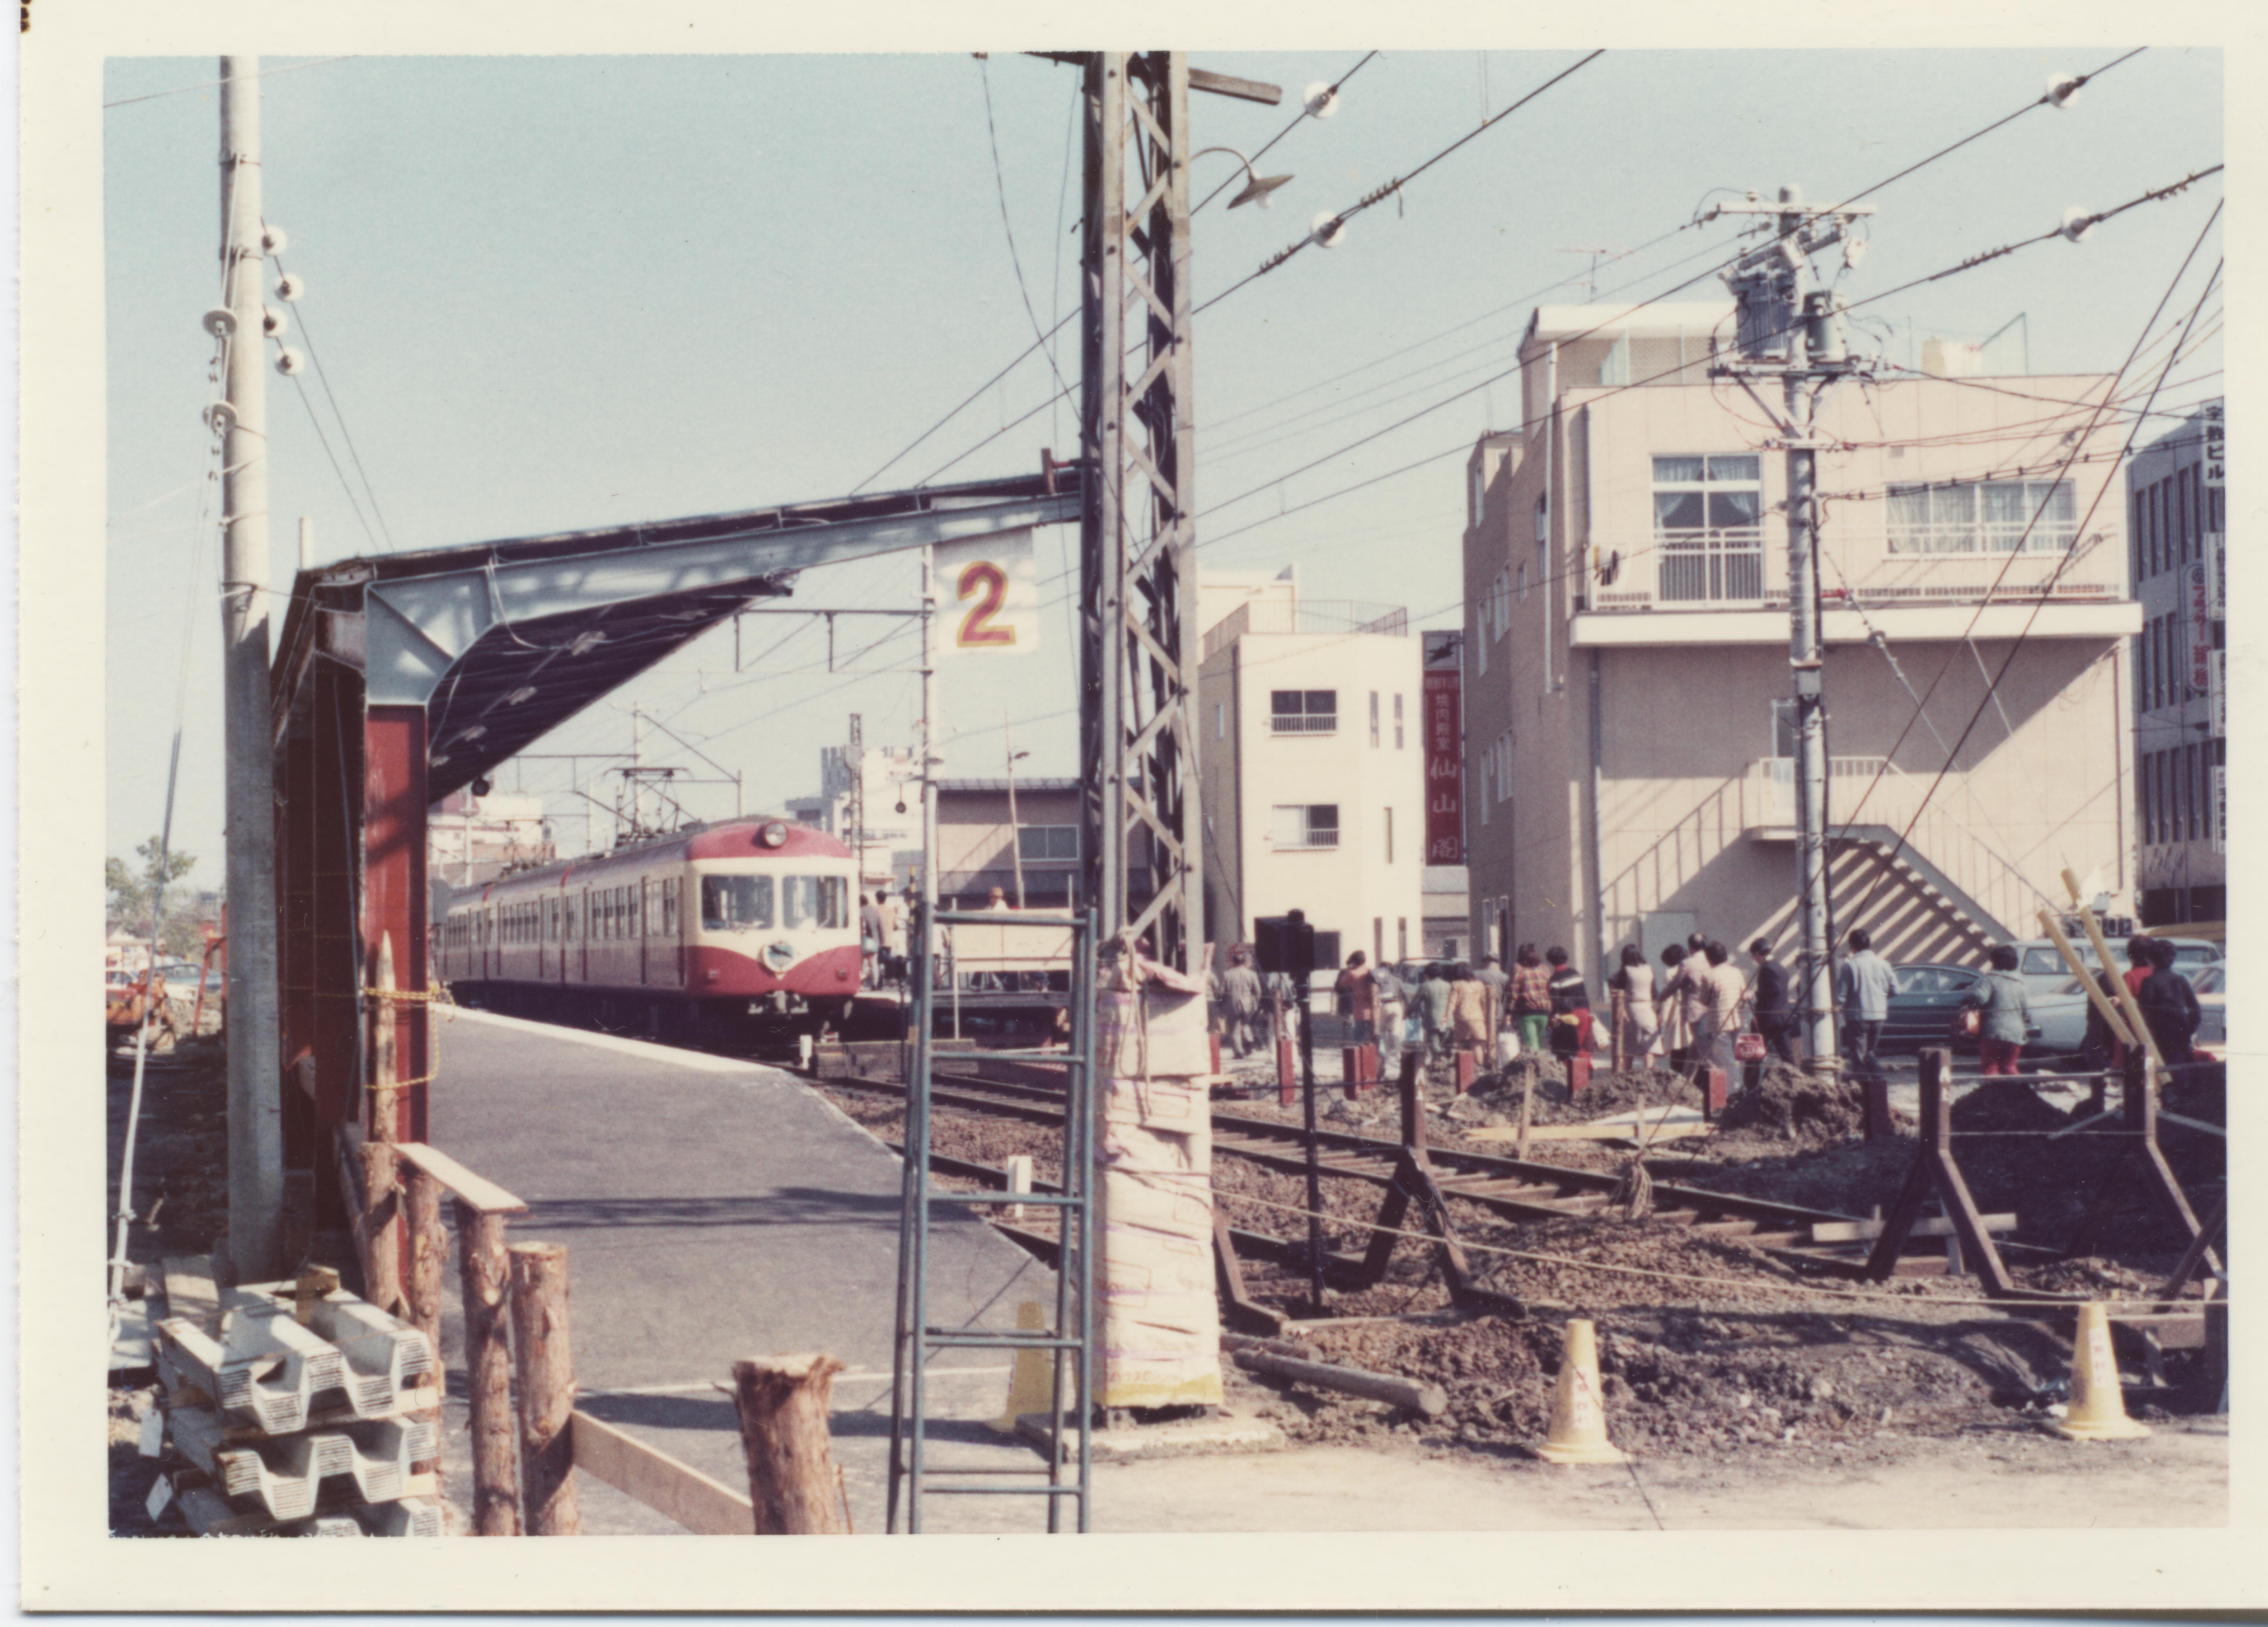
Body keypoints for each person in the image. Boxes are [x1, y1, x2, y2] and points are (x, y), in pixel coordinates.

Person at [1961, 943, 2032, 1076]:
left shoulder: (1989, 980)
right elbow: (2026, 1011)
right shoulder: (2020, 983)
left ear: (1993, 960)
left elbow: (1979, 998)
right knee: (2010, 1067)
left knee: (1991, 1067)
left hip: (1993, 1032)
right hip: (2016, 1033)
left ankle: (1993, 1096)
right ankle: (2015, 1095)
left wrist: (1969, 992)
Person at [1836, 928, 1896, 1083]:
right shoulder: (1884, 964)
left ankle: (1865, 1089)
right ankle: (1878, 1083)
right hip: (1879, 1015)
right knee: (1869, 1053)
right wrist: (1881, 997)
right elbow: (1896, 990)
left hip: (1857, 1017)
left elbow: (1840, 997)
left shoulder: (1850, 966)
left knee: (1859, 1057)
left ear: (1852, 946)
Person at [2136, 938, 2202, 1066]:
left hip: (2160, 1035)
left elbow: (2144, 1010)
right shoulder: (2181, 980)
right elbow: (2196, 1010)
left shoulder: (2150, 982)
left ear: (2150, 960)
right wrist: (2190, 1029)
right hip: (2182, 1031)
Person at [1691, 941, 1747, 1075]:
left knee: (1726, 1060)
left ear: (1709, 958)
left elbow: (1704, 1000)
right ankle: (1734, 1089)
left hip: (1718, 1022)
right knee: (1732, 1057)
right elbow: (1743, 993)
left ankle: (1734, 1090)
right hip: (1736, 1019)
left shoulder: (1709, 976)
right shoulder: (1736, 972)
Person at [1607, 944, 1658, 1063]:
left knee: (1628, 1047)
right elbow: (1655, 992)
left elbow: (1614, 983)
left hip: (1632, 1009)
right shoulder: (1650, 969)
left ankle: (1626, 1074)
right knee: (1649, 1047)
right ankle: (1649, 1072)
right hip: (1648, 1008)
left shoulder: (1626, 971)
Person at [1748, 937, 1794, 1063]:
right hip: (1782, 1017)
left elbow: (1775, 990)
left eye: (1753, 956)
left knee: (1754, 1056)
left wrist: (1755, 994)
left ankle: (1750, 1082)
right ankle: (1795, 1079)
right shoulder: (1780, 967)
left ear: (1757, 954)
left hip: (1769, 1020)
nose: (1754, 960)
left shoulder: (1767, 968)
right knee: (1787, 1055)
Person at [1543, 946, 1592, 1058]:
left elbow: (1555, 1002)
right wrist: (1588, 1012)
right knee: (1583, 1048)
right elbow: (1584, 994)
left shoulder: (1555, 979)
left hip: (1569, 1016)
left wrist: (1553, 1019)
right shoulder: (1576, 973)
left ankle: (1569, 1074)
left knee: (1568, 1050)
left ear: (1551, 961)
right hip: (1584, 1012)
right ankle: (1585, 1074)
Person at [1508, 943, 1552, 1056]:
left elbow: (1514, 993)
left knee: (1531, 1044)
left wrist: (1509, 1012)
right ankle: (1543, 1067)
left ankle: (1534, 1069)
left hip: (1527, 1011)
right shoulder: (1545, 971)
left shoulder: (1520, 971)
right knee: (1540, 1042)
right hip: (1545, 1011)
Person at [1221, 950, 1264, 1059]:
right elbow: (1258, 991)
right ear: (1244, 962)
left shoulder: (1227, 974)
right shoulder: (1252, 974)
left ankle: (1239, 1052)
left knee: (1234, 1028)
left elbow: (1221, 991)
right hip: (1248, 1004)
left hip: (1232, 1004)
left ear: (1233, 961)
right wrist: (1256, 1002)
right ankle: (1249, 1045)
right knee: (1246, 1024)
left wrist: (1222, 1003)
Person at [1334, 951, 1379, 1054]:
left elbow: (1341, 984)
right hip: (1375, 1011)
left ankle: (1361, 1060)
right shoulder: (1370, 970)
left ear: (1354, 961)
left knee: (1359, 1040)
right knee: (1376, 1038)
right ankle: (1380, 1058)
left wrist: (1349, 969)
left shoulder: (1352, 973)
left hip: (1361, 1012)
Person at [1656, 944, 1692, 1069]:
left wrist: (1663, 1018)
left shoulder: (1670, 973)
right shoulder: (1690, 969)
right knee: (1688, 1046)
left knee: (1676, 1047)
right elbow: (1691, 989)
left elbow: (1669, 998)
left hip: (1677, 1013)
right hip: (1690, 1010)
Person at [1372, 959, 1407, 1081]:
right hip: (1397, 1006)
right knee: (1396, 1032)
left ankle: (1385, 1055)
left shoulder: (1379, 980)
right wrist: (1406, 1010)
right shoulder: (1398, 980)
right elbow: (1405, 995)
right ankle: (1397, 1054)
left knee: (1382, 1032)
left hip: (1383, 1006)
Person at [1447, 962, 1492, 1055]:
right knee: (1478, 1045)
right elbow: (1484, 1002)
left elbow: (1452, 1003)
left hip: (1462, 1018)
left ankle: (1462, 1068)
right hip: (1478, 1018)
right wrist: (1485, 1016)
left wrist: (1447, 1016)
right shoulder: (1480, 985)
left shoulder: (1456, 985)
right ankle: (1480, 1068)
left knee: (1460, 1045)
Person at [1418, 962, 1457, 1065]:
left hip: (1433, 1020)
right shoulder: (1449, 986)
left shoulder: (1425, 986)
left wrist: (1407, 1013)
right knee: (1444, 1040)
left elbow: (1415, 1003)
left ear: (1428, 974)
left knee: (1434, 1041)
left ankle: (1439, 1059)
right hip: (1446, 1020)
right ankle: (1443, 1061)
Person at [1476, 954, 1510, 1045]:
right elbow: (1508, 996)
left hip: (1479, 1012)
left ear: (1485, 963)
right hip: (1498, 1012)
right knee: (1495, 1038)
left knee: (1480, 1040)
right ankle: (1494, 1058)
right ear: (1497, 964)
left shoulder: (1476, 975)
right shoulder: (1504, 977)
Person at [859, 893, 887, 989]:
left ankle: (860, 984)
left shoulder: (859, 912)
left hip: (862, 942)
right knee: (873, 964)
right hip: (875, 941)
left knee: (861, 964)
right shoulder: (875, 912)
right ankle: (874, 984)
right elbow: (881, 927)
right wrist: (882, 940)